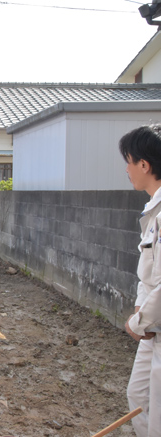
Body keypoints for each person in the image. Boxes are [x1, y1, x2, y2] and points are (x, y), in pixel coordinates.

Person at [120, 123, 161, 437]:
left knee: (157, 410)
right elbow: (148, 271)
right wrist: (139, 307)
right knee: (138, 396)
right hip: (152, 329)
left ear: (145, 165)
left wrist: (138, 322)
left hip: (153, 326)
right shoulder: (152, 211)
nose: (127, 169)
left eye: (129, 161)